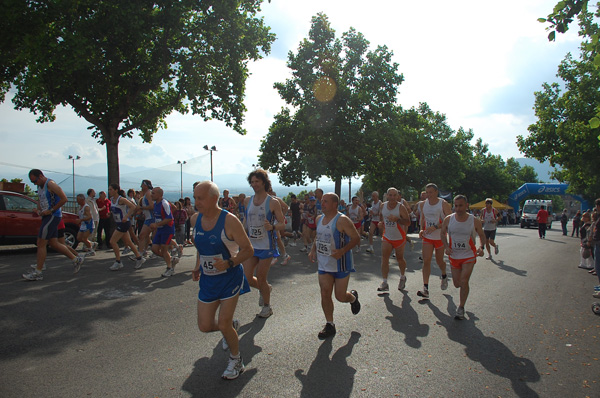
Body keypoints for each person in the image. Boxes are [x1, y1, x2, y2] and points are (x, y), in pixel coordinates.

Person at [191, 181, 254, 380]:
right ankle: (231, 328)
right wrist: (197, 265)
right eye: (195, 197)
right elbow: (201, 247)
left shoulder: (229, 220)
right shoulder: (195, 219)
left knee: (224, 323)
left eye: (200, 198)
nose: (196, 202)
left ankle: (236, 360)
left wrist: (230, 262)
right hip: (208, 281)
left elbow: (248, 250)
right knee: (205, 325)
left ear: (213, 198)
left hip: (229, 278)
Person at [308, 193, 361, 339]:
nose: (322, 203)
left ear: (334, 204)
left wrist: (342, 251)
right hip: (324, 264)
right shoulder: (319, 219)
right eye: (322, 201)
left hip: (341, 264)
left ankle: (352, 298)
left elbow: (356, 238)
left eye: (326, 201)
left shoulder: (342, 220)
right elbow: (318, 237)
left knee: (340, 296)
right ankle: (329, 324)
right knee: (325, 292)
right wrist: (313, 250)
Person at [22, 169, 85, 281]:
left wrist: (51, 210)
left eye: (35, 181)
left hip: (53, 216)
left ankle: (38, 272)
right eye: (32, 182)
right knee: (54, 243)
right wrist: (38, 209)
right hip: (47, 216)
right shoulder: (40, 186)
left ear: (41, 176)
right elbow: (41, 200)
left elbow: (64, 198)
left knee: (41, 243)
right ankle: (76, 259)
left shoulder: (50, 184)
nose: (34, 184)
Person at [242, 169, 285, 318]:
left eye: (257, 181)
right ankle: (265, 289)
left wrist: (272, 227)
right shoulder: (248, 200)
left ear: (264, 182)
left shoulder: (272, 202)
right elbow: (245, 221)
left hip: (266, 245)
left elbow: (282, 223)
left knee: (261, 277)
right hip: (251, 245)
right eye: (252, 182)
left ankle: (267, 307)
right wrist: (239, 236)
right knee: (246, 278)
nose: (254, 184)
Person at [440, 195, 486, 319]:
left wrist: (481, 247)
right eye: (456, 206)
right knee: (456, 283)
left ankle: (461, 307)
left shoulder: (474, 220)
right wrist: (446, 246)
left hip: (468, 254)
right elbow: (442, 233)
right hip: (454, 255)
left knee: (464, 281)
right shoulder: (449, 219)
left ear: (466, 205)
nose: (458, 208)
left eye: (461, 205)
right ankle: (462, 294)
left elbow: (481, 235)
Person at [417, 183, 451, 299]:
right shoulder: (423, 204)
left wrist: (436, 227)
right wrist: (421, 229)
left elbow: (449, 220)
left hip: (440, 237)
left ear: (436, 192)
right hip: (428, 237)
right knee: (426, 260)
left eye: (431, 192)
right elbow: (422, 218)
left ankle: (444, 275)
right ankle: (425, 288)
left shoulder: (443, 204)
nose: (429, 195)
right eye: (427, 192)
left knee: (439, 261)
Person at [377, 188, 411, 293]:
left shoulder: (401, 207)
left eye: (394, 195)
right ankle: (384, 282)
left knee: (400, 259)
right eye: (390, 195)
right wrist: (380, 224)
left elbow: (408, 222)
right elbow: (381, 218)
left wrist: (397, 219)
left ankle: (402, 276)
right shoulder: (383, 206)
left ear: (397, 196)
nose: (392, 197)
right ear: (387, 195)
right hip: (387, 236)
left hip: (399, 237)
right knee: (385, 258)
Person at [107, 184, 145, 271]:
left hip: (124, 223)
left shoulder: (121, 199)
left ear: (116, 190)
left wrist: (127, 216)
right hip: (119, 223)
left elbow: (133, 206)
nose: (109, 191)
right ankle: (139, 258)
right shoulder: (112, 200)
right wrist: (110, 213)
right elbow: (116, 210)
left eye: (111, 189)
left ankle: (118, 262)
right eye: (109, 190)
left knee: (112, 241)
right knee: (129, 242)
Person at [148, 187, 178, 277]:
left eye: (153, 193)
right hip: (160, 229)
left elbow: (169, 218)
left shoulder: (164, 203)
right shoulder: (155, 204)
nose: (151, 195)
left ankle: (169, 268)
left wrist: (157, 225)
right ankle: (171, 259)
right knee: (154, 249)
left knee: (164, 249)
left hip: (167, 229)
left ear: (159, 195)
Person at [138, 180, 155, 257]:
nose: (141, 186)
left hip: (151, 218)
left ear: (146, 185)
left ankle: (141, 254)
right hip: (148, 218)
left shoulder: (148, 193)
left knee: (142, 235)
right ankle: (143, 252)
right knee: (145, 236)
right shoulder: (146, 194)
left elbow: (152, 206)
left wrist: (142, 208)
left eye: (142, 184)